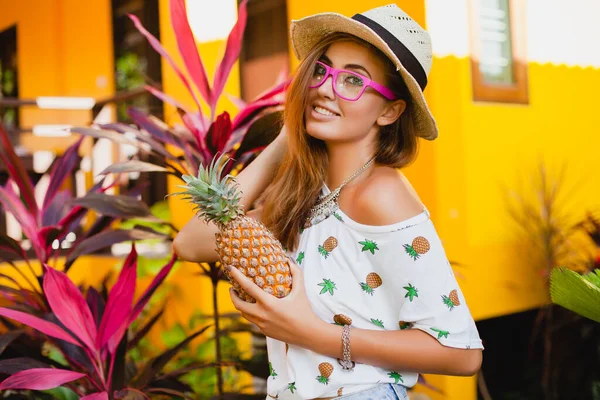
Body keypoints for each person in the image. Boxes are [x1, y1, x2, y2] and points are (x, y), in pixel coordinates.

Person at [173, 4, 483, 400]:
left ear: (389, 111)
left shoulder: (381, 194)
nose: (323, 86)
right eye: (321, 70)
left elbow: (461, 352)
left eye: (353, 80)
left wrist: (312, 334)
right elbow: (191, 243)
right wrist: (286, 139)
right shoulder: (306, 196)